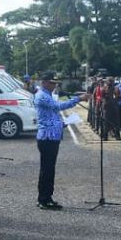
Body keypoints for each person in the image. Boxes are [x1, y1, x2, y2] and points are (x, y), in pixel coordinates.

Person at [34, 71, 89, 210]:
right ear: (44, 82)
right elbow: (58, 107)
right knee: (47, 170)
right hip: (47, 138)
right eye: (52, 83)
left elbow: (52, 115)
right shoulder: (41, 95)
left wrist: (63, 123)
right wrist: (78, 99)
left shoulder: (47, 95)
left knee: (49, 169)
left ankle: (47, 198)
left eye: (55, 83)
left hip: (52, 136)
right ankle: (43, 200)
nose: (54, 85)